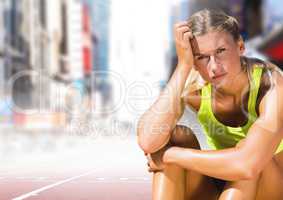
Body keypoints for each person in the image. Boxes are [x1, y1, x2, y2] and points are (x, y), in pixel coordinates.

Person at [137, 9, 283, 200]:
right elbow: (148, 141)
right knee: (175, 135)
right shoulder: (195, 87)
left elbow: (247, 165)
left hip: (270, 186)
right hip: (222, 183)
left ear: (240, 46)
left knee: (249, 152)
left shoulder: (271, 84)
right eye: (201, 57)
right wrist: (183, 67)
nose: (213, 67)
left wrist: (170, 155)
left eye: (220, 51)